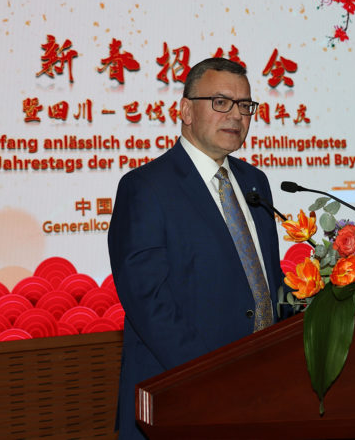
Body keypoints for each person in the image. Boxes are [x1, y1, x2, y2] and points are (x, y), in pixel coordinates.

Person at [107, 57, 284, 439]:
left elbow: (270, 283)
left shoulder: (256, 182)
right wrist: (213, 378)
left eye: (244, 105)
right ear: (185, 110)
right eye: (221, 102)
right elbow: (149, 302)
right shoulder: (145, 188)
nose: (235, 115)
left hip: (264, 390)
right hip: (184, 395)